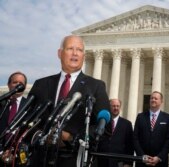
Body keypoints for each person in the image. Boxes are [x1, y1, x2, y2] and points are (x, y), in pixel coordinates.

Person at [28, 35, 110, 167]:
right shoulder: (41, 84)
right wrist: (40, 136)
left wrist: (71, 137)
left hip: (74, 159)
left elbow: (104, 127)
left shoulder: (96, 86)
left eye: (79, 50)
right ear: (60, 53)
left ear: (83, 55)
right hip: (40, 159)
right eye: (70, 48)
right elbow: (27, 122)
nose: (75, 53)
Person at [134, 91, 169, 167]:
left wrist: (159, 157)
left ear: (161, 101)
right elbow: (135, 138)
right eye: (152, 98)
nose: (153, 100)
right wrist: (142, 156)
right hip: (142, 162)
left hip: (160, 163)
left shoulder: (168, 118)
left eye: (156, 98)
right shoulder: (140, 117)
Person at [0, 71, 27, 165]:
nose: (18, 85)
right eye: (15, 82)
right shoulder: (1, 103)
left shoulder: (30, 105)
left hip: (20, 156)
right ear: (8, 85)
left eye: (21, 83)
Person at [98, 99, 134, 167]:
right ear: (109, 107)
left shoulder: (127, 124)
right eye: (113, 106)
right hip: (102, 161)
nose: (116, 108)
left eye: (118, 106)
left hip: (119, 162)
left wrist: (128, 163)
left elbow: (130, 145)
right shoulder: (103, 122)